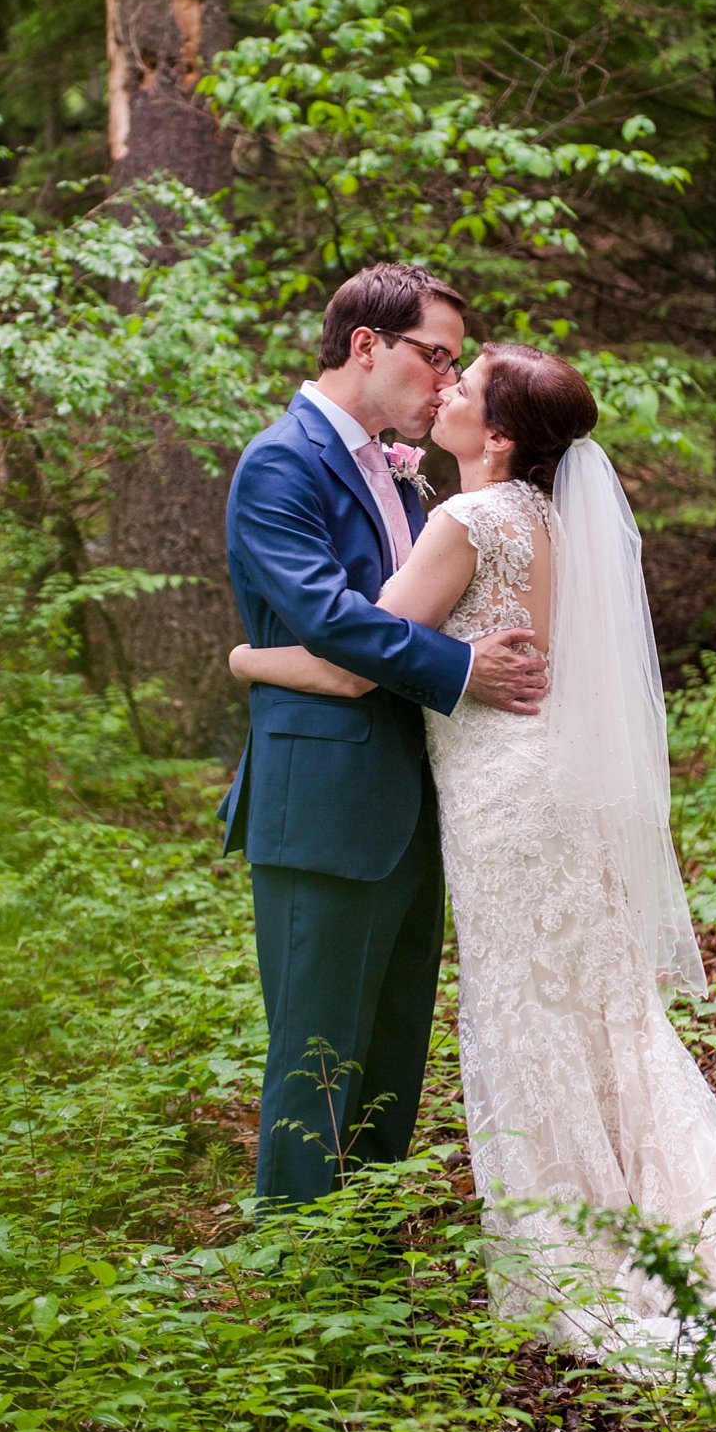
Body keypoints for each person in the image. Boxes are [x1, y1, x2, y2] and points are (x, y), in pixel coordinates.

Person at [231, 341, 716, 1395]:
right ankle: (651, 1209)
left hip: (502, 800)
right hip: (552, 788)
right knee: (594, 1006)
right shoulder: (551, 522)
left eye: (466, 385)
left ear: (495, 436)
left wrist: (245, 657)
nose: (444, 387)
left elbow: (358, 663)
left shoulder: (463, 519)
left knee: (528, 1011)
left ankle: (566, 1248)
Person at [221, 266, 547, 1214]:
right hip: (323, 812)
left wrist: (252, 660)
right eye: (434, 355)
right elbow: (333, 621)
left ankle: (365, 1293)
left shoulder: (404, 475)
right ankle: (297, 1303)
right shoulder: (280, 463)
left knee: (392, 1065)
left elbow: (405, 616)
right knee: (314, 1066)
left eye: (455, 363)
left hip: (416, 806)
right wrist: (458, 670)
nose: (447, 382)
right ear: (367, 344)